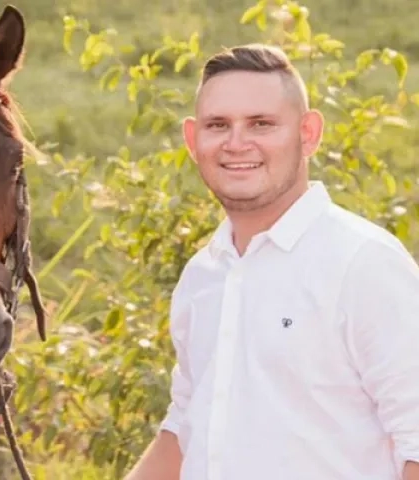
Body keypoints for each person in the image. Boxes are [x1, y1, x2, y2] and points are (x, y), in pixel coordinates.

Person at [124, 43, 419, 480]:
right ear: (192, 140)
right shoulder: (203, 275)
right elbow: (185, 428)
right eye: (218, 125)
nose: (237, 143)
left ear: (308, 134)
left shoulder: (364, 264)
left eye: (261, 124)